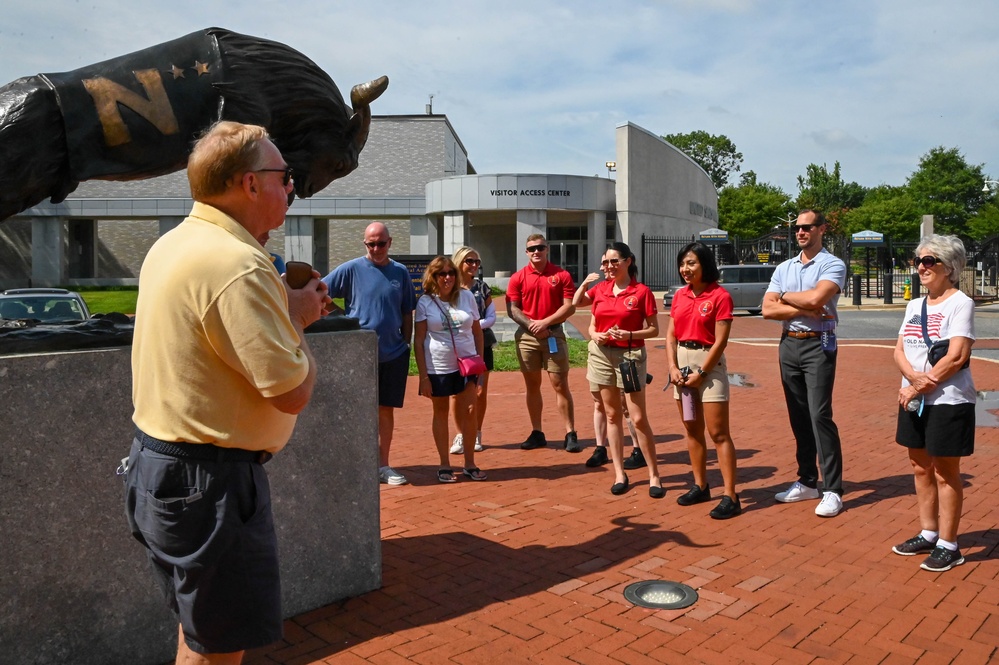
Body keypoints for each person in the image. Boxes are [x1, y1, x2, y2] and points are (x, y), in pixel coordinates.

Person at [124, 121, 328, 663]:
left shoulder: (174, 244)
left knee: (200, 632)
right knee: (218, 649)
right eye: (285, 176)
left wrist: (279, 311)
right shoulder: (237, 265)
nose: (292, 187)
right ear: (250, 184)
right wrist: (298, 320)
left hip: (161, 466)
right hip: (209, 483)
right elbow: (290, 391)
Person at [892, 235, 975, 572]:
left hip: (947, 399)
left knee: (945, 472)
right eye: (919, 261)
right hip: (912, 398)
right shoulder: (914, 305)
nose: (922, 267)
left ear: (949, 267)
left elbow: (956, 356)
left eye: (930, 261)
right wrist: (912, 381)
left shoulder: (961, 303)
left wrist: (919, 385)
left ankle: (950, 544)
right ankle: (928, 532)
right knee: (919, 466)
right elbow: (898, 349)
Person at [762, 210, 847, 518]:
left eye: (806, 227)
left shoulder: (832, 264)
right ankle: (807, 480)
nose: (800, 232)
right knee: (798, 415)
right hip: (788, 344)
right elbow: (767, 310)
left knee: (819, 414)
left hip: (818, 344)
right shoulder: (785, 267)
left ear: (821, 229)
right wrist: (802, 303)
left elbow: (817, 300)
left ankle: (833, 489)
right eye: (796, 228)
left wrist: (785, 297)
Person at [322, 222, 416, 486]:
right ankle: (358, 464)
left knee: (385, 410)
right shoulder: (351, 269)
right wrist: (339, 316)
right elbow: (319, 291)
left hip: (393, 353)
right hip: (359, 354)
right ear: (365, 244)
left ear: (390, 242)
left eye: (381, 243)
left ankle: (383, 464)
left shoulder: (400, 272)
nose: (376, 248)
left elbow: (407, 310)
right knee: (358, 411)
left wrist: (406, 344)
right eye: (371, 244)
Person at [572, 242, 663, 497]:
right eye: (605, 262)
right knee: (611, 415)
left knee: (637, 417)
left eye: (614, 261)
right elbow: (575, 303)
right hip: (602, 355)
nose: (609, 267)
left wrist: (629, 333)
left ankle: (654, 475)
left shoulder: (641, 292)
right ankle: (619, 473)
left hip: (629, 355)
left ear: (628, 261)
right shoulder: (600, 289)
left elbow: (654, 329)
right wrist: (584, 283)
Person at [665, 242, 741, 519]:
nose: (686, 269)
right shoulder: (680, 296)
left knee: (718, 433)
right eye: (683, 263)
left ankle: (731, 495)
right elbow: (671, 335)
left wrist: (703, 374)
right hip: (683, 368)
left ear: (705, 264)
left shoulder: (720, 296)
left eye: (692, 263)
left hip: (708, 367)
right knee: (692, 430)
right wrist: (672, 367)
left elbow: (721, 341)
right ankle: (700, 485)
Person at [414, 256, 488, 483]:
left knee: (469, 411)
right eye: (441, 274)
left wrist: (480, 365)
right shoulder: (425, 302)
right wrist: (423, 376)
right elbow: (418, 341)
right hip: (438, 365)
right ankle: (444, 464)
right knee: (441, 412)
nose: (447, 278)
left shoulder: (466, 297)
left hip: (467, 365)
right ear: (433, 276)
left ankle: (469, 463)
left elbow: (477, 332)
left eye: (451, 273)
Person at [506, 233, 579, 451]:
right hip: (527, 338)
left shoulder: (562, 275)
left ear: (547, 249)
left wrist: (545, 323)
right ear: (526, 252)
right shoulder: (518, 277)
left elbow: (569, 306)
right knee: (532, 385)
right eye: (532, 249)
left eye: (540, 247)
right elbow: (513, 308)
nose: (536, 252)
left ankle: (570, 432)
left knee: (560, 384)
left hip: (553, 335)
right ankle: (537, 432)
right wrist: (532, 326)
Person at [450, 246, 496, 455]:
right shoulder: (449, 287)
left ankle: (476, 432)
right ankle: (460, 434)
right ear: (459, 262)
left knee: (479, 391)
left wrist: (473, 326)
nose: (474, 266)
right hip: (455, 346)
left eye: (477, 262)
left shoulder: (482, 288)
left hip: (481, 344)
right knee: (454, 394)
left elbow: (491, 317)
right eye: (470, 261)